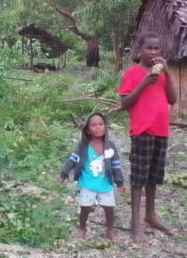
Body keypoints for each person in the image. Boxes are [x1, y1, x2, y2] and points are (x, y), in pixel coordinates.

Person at [118, 31, 177, 244]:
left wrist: (167, 74)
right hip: (142, 131)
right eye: (149, 48)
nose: (153, 52)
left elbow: (173, 99)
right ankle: (135, 223)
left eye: (156, 48)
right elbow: (125, 104)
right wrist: (144, 82)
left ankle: (150, 216)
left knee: (154, 177)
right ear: (139, 50)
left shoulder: (162, 73)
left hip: (161, 131)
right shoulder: (133, 73)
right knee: (138, 178)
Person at [58, 112, 125, 242]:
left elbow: (116, 165)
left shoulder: (110, 146)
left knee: (109, 209)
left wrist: (120, 182)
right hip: (87, 183)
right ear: (88, 130)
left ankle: (110, 231)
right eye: (93, 125)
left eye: (100, 124)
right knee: (85, 208)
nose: (98, 127)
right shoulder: (83, 146)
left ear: (105, 126)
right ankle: (82, 228)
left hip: (105, 184)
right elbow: (72, 160)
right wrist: (63, 174)